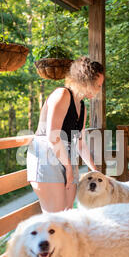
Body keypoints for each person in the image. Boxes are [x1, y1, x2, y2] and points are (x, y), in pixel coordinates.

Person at [27, 56, 104, 213]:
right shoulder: (62, 94)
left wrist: (95, 169)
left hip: (67, 155)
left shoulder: (82, 106)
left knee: (68, 213)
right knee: (56, 217)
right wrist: (69, 167)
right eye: (98, 85)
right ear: (86, 80)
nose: (99, 89)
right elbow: (52, 136)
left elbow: (80, 143)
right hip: (47, 154)